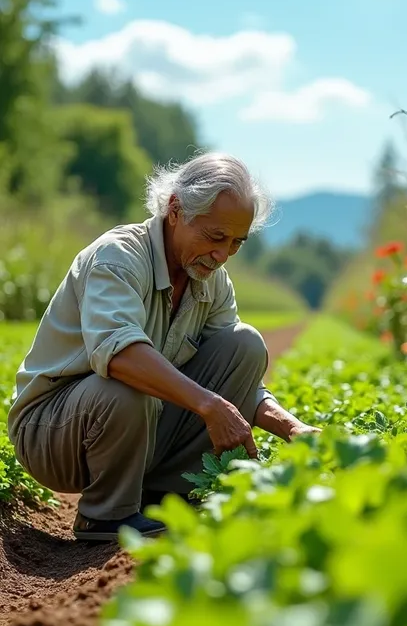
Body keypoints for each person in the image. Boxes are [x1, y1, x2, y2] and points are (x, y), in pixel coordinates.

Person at [7, 152, 318, 542]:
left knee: (244, 346)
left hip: (138, 421)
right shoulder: (118, 257)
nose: (223, 255)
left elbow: (237, 383)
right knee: (124, 383)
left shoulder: (211, 280)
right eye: (215, 236)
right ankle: (104, 516)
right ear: (175, 210)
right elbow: (118, 356)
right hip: (52, 431)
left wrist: (292, 428)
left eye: (236, 243)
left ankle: (162, 495)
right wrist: (209, 405)